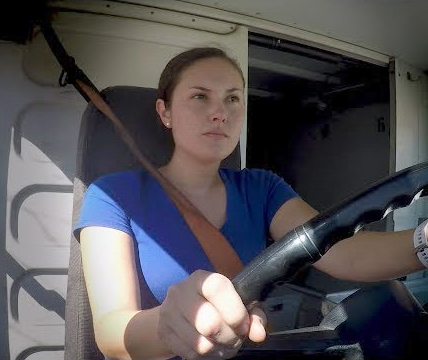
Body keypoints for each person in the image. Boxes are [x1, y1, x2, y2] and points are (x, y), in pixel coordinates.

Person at [73, 47, 427, 360]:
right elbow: (112, 335)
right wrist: (171, 324)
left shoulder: (261, 186)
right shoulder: (111, 195)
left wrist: (423, 243)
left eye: (233, 98)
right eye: (200, 96)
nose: (220, 113)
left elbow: (345, 253)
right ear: (165, 113)